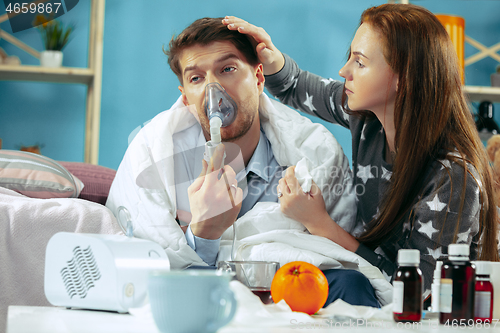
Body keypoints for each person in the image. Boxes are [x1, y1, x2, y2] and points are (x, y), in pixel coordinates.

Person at [223, 3, 500, 295]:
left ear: (402, 79)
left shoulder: (452, 178)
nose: (344, 71)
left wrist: (319, 223)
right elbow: (296, 87)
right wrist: (270, 56)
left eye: (360, 61)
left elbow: (421, 295)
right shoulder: (368, 121)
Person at [106, 17, 384, 307]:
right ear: (186, 99)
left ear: (259, 78)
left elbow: (341, 259)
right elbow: (140, 260)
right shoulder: (154, 152)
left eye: (227, 69)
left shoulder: (313, 153)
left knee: (352, 284)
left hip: (289, 292)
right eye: (196, 78)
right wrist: (203, 233)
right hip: (195, 296)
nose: (214, 92)